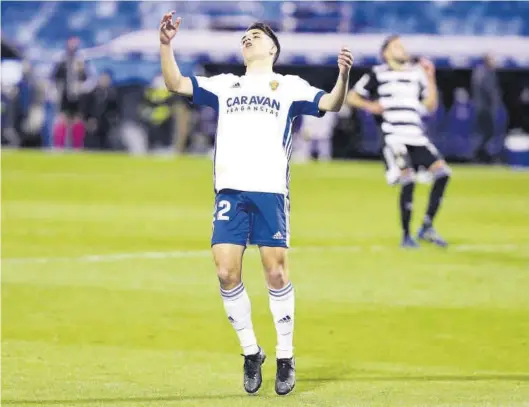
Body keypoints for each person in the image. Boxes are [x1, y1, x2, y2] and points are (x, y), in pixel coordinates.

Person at [159, 12, 353, 396]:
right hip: (231, 190)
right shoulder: (226, 84)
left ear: (272, 48)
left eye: (255, 36)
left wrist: (343, 76)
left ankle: (285, 355)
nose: (247, 40)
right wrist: (166, 44)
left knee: (275, 273)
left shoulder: (289, 86)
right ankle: (252, 352)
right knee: (226, 271)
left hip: (269, 191)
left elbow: (331, 103)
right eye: (244, 36)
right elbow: (175, 82)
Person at [347, 35, 451, 248]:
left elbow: (430, 105)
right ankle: (406, 236)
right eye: (397, 47)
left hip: (416, 136)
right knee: (408, 179)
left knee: (443, 173)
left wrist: (431, 78)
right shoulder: (377, 73)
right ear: (386, 53)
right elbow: (352, 97)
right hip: (394, 137)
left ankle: (427, 227)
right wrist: (371, 106)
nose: (402, 50)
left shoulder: (417, 73)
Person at [471, 54, 502, 163]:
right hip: (484, 109)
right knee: (486, 133)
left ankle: (481, 155)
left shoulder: (480, 72)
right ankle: (478, 154)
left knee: (486, 133)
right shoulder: (484, 73)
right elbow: (489, 91)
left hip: (482, 108)